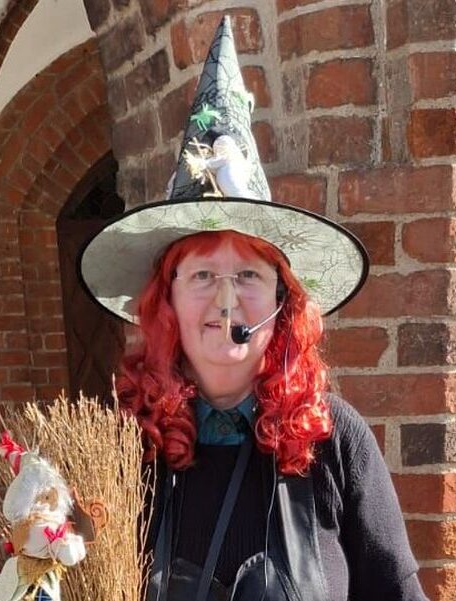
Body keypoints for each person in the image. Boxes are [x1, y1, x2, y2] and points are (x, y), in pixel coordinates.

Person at [79, 16, 427, 601]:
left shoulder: (333, 437)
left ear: (281, 300)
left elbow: (396, 592)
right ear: (165, 300)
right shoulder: (121, 445)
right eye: (202, 275)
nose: (224, 298)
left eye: (247, 274)